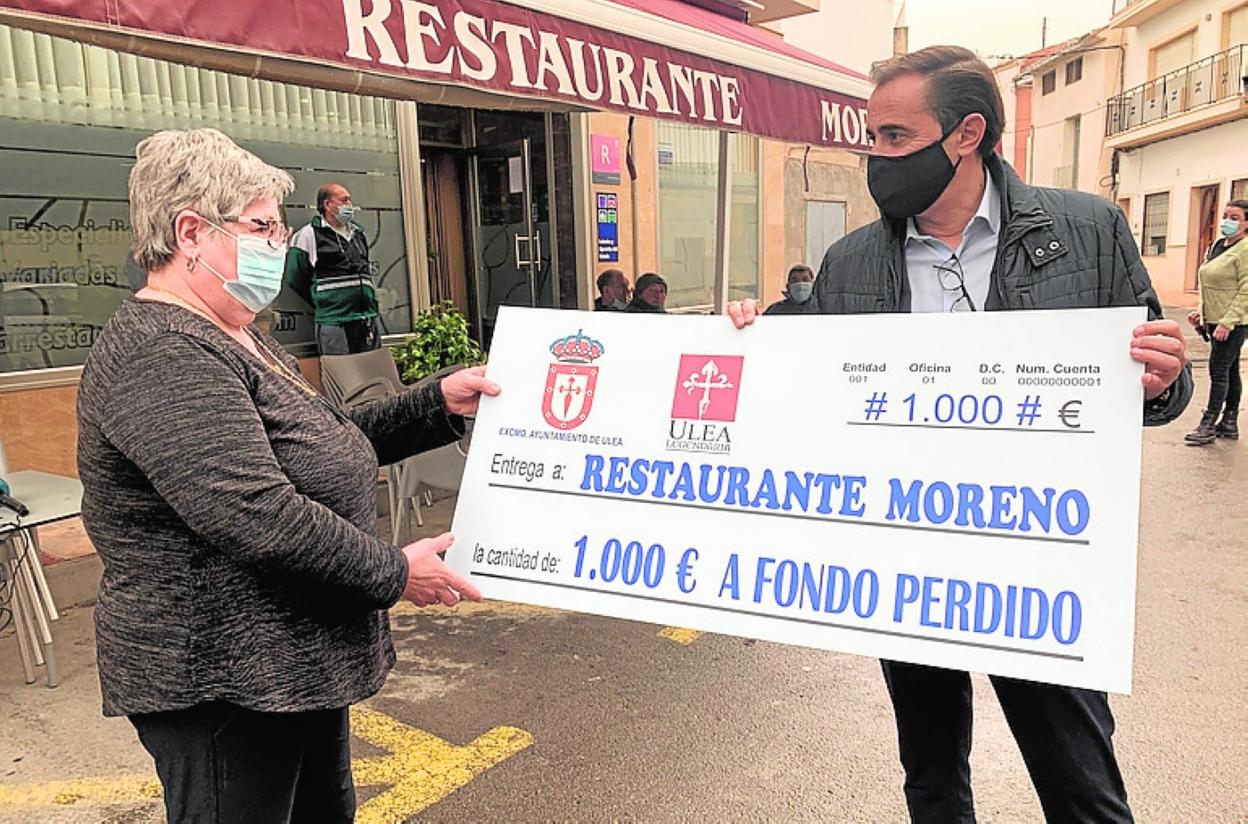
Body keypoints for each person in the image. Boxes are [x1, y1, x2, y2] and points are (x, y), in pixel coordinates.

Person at [728, 46, 1191, 823]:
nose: (878, 157)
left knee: (1080, 783)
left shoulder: (1088, 230)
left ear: (967, 133)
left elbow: (1160, 391)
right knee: (932, 776)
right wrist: (749, 342)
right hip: (907, 556)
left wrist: (1163, 378)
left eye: (896, 138)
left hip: (1040, 561)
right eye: (872, 137)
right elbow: (806, 398)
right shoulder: (851, 262)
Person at [77, 128, 498, 823]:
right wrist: (394, 571)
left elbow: (324, 444)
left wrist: (435, 402)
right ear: (190, 232)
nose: (280, 242)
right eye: (263, 225)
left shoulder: (235, 331)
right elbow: (255, 511)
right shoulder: (163, 353)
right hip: (223, 681)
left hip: (293, 667)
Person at [286, 182, 382, 354]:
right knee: (341, 374)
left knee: (372, 373)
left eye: (350, 201)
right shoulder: (308, 234)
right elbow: (295, 277)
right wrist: (323, 300)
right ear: (327, 205)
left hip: (366, 318)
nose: (349, 206)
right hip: (334, 321)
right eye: (344, 201)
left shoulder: (358, 233)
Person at [1184, 199, 1248, 444]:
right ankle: (1229, 422)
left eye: (1235, 218)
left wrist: (1227, 322)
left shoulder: (1244, 249)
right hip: (1214, 318)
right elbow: (1210, 284)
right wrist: (1200, 312)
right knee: (1230, 370)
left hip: (1234, 321)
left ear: (1246, 223)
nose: (1227, 222)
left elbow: (1245, 289)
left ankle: (1208, 424)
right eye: (1226, 216)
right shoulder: (1217, 246)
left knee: (1218, 371)